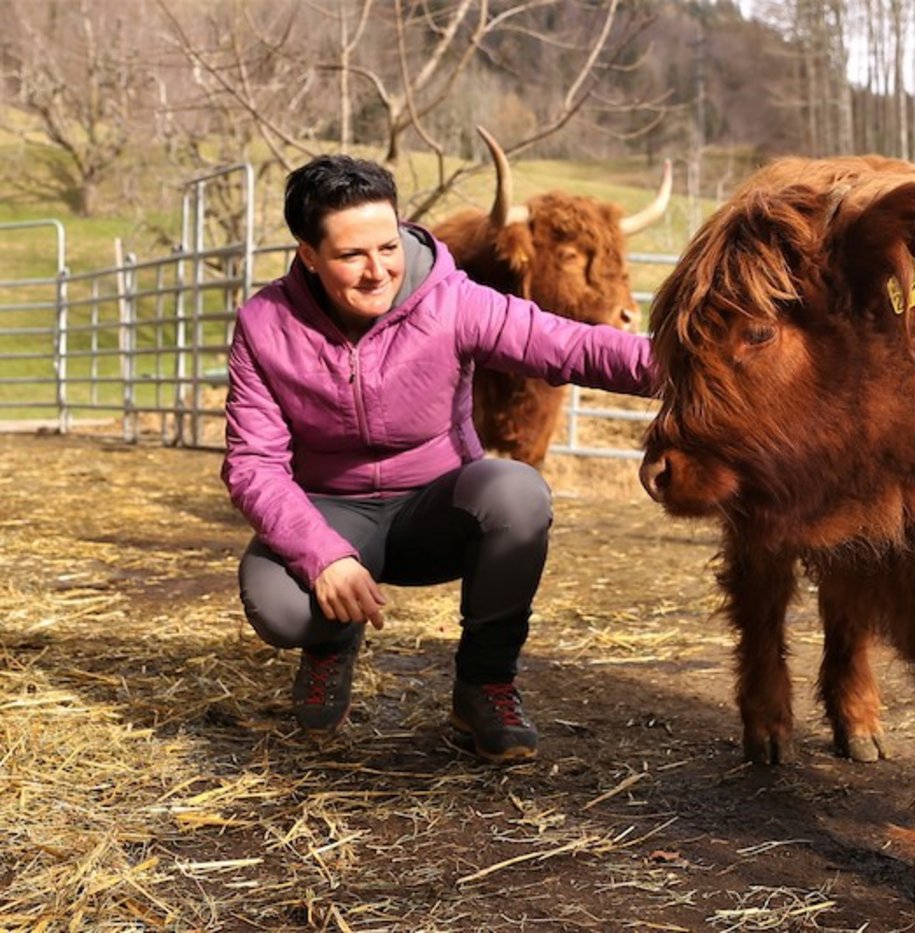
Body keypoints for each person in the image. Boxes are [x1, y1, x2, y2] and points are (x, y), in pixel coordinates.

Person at [222, 154, 654, 762]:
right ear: (309, 256)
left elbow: (570, 345)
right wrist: (321, 558)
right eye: (352, 256)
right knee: (281, 609)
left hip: (436, 510)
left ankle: (484, 685)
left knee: (516, 492)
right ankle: (330, 640)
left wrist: (697, 365)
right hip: (330, 513)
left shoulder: (449, 300)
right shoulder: (266, 324)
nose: (379, 272)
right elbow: (252, 464)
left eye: (388, 246)